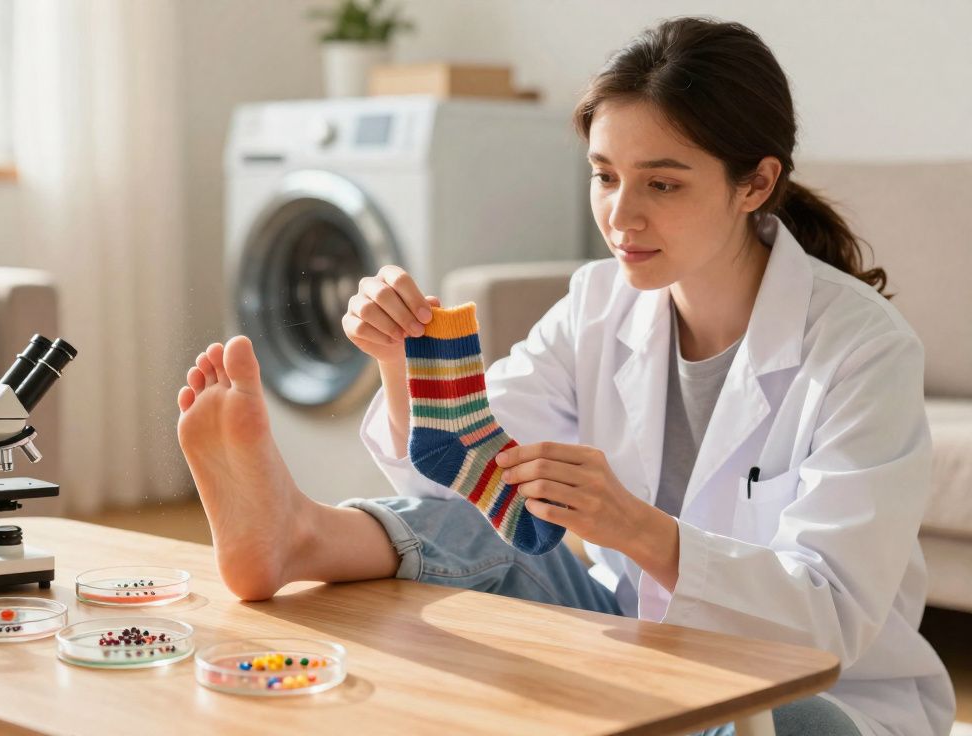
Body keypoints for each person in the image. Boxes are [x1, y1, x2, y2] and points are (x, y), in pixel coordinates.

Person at [175, 16, 954, 736]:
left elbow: (830, 623)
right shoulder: (598, 303)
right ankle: (298, 534)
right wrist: (396, 368)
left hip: (822, 695)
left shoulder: (860, 349)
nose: (620, 216)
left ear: (753, 184)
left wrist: (641, 532)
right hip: (647, 648)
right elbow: (466, 471)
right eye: (605, 175)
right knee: (495, 537)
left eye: (663, 182)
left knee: (757, 722)